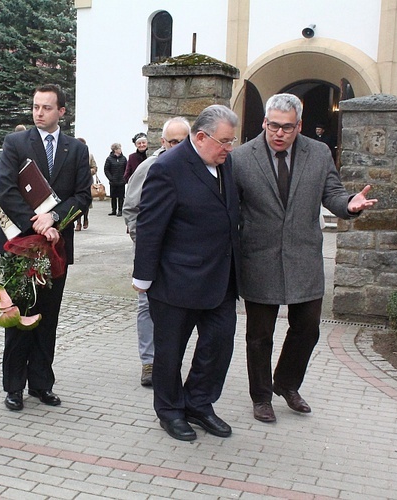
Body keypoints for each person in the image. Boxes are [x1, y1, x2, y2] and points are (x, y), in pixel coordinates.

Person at [232, 94, 377, 424]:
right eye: (273, 126)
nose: (279, 133)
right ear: (264, 123)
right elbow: (230, 210)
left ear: (299, 126)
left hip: (304, 258)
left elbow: (333, 193)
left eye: (287, 127)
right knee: (259, 336)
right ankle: (261, 397)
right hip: (260, 257)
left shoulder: (319, 153)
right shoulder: (240, 158)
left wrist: (348, 205)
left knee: (308, 328)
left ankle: (286, 383)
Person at [133, 105, 240, 442]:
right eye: (223, 141)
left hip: (220, 278)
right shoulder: (168, 167)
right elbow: (150, 227)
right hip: (176, 281)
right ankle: (169, 410)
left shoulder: (225, 163)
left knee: (218, 345)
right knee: (170, 352)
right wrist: (143, 279)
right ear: (200, 137)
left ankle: (199, 403)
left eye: (231, 141)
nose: (228, 148)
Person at [0, 84, 91, 411]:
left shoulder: (75, 150)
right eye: (36, 106)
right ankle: (14, 387)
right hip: (19, 245)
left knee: (47, 318)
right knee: (19, 316)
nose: (39, 112)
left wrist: (54, 220)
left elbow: (82, 197)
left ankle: (41, 384)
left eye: (46, 107)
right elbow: (5, 189)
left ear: (62, 111)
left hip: (56, 250)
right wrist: (35, 221)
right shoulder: (16, 142)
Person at [122, 116, 190, 387]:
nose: (176, 147)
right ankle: (149, 362)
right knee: (146, 305)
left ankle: (172, 361)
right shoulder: (150, 167)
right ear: (162, 142)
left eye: (182, 141)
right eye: (172, 141)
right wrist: (144, 243)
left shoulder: (198, 167)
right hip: (153, 252)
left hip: (185, 256)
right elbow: (131, 209)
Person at [75, 137, 97, 231]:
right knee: (76, 203)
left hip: (87, 182)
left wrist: (87, 171)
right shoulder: (72, 155)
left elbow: (94, 168)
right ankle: (78, 223)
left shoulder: (90, 156)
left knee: (86, 203)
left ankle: (85, 218)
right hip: (75, 182)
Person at [103, 142, 127, 216]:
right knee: (113, 197)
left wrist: (125, 178)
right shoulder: (109, 159)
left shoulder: (123, 158)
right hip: (113, 181)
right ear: (115, 150)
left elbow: (126, 169)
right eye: (118, 148)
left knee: (121, 197)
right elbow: (106, 169)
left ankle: (120, 210)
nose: (120, 150)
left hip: (121, 181)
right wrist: (111, 178)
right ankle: (113, 210)